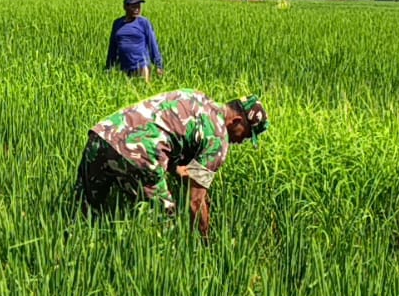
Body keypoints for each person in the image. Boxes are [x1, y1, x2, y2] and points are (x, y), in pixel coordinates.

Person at [77, 89, 268, 238]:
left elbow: (167, 133)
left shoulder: (196, 97)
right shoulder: (218, 139)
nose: (242, 140)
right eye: (246, 134)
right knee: (162, 230)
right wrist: (205, 243)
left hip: (101, 136)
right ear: (236, 121)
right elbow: (196, 201)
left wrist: (177, 171)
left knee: (83, 214)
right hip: (138, 155)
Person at [105, 0, 164, 83]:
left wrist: (159, 66)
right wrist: (109, 67)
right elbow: (112, 47)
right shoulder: (117, 23)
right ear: (125, 7)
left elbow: (153, 45)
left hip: (142, 65)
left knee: (144, 91)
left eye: (139, 6)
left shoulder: (144, 22)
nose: (137, 9)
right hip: (123, 66)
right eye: (134, 6)